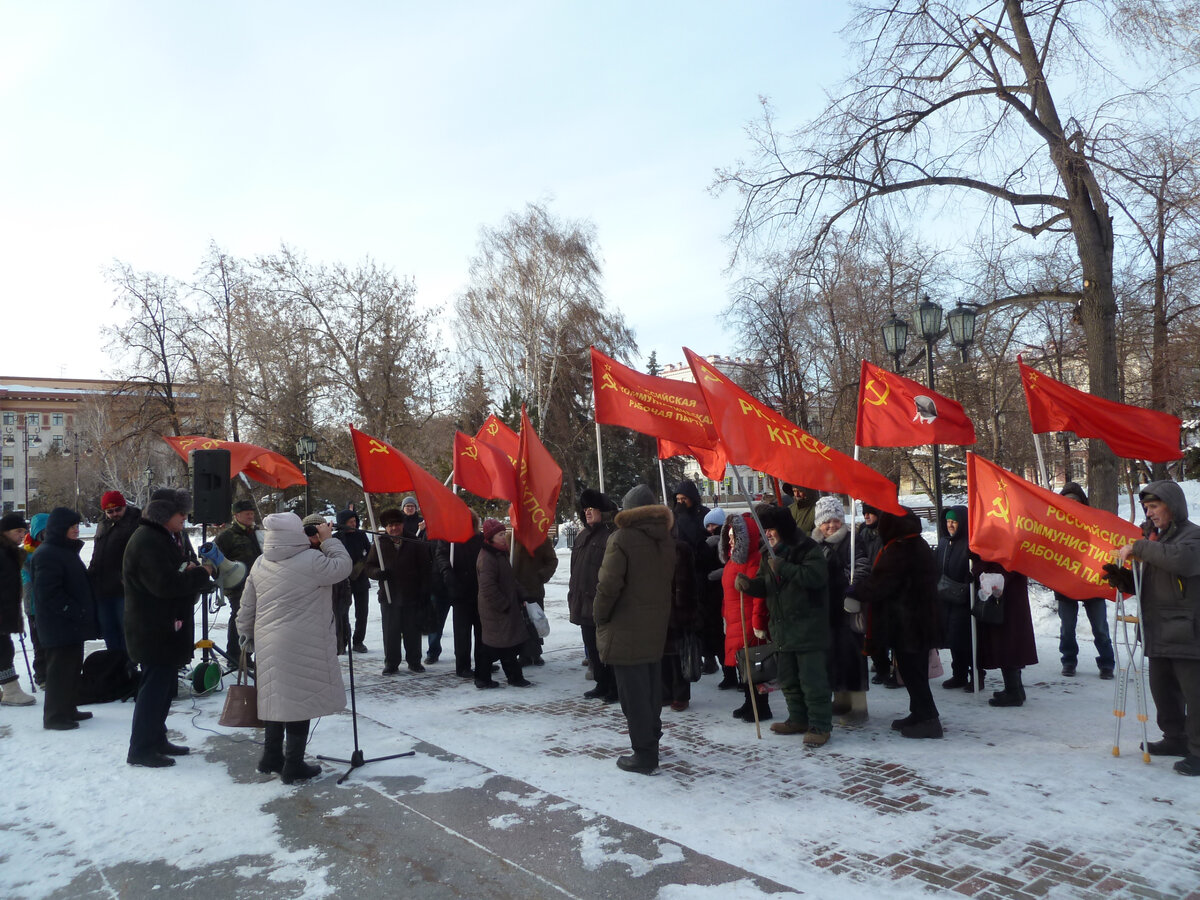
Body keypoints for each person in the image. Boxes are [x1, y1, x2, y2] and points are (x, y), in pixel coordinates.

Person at [236, 512, 352, 784]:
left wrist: (245, 634)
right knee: (300, 702)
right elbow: (343, 566)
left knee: (276, 699)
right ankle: (294, 764)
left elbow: (247, 605)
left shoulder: (261, 562)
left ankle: (271, 757)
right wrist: (328, 539)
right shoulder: (313, 560)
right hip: (304, 641)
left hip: (268, 642)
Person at [1109, 480, 1200, 775]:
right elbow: (1149, 579)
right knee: (1163, 689)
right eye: (1146, 508)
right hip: (1158, 628)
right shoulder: (1155, 541)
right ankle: (1175, 738)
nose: (1149, 513)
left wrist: (1140, 546)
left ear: (1172, 507)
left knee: (1194, 693)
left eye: (1154, 506)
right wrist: (1124, 580)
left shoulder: (1192, 537)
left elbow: (1182, 562)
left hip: (1187, 630)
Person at [123, 489, 215, 767]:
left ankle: (156, 738)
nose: (185, 519)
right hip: (152, 629)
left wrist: (192, 572)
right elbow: (164, 585)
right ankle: (140, 748)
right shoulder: (148, 540)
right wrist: (200, 574)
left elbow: (173, 575)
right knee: (153, 689)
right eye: (181, 515)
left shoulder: (165, 537)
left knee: (163, 689)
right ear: (165, 515)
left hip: (164, 627)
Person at [594, 485, 675, 774]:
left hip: (625, 627)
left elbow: (608, 586)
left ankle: (644, 754)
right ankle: (652, 740)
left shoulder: (622, 538)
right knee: (651, 690)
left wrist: (599, 615)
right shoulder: (664, 538)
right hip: (655, 626)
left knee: (633, 696)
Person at [736, 505, 831, 746]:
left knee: (812, 681)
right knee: (787, 679)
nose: (766, 534)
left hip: (808, 628)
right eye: (764, 529)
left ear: (783, 528)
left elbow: (816, 577)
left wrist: (784, 567)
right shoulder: (769, 553)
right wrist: (749, 585)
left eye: (770, 529)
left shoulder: (807, 548)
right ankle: (797, 718)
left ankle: (820, 725)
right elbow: (764, 584)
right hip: (782, 630)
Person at [851, 507, 944, 738]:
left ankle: (929, 719)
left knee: (913, 672)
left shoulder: (900, 549)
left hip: (908, 623)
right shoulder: (917, 543)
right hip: (918, 620)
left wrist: (856, 589)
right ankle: (919, 713)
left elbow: (881, 584)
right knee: (914, 671)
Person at [29, 508, 97, 729]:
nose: (76, 529)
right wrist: (72, 609)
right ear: (60, 529)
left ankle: (68, 709)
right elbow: (48, 592)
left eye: (77, 525)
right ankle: (55, 716)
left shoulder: (64, 550)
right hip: (58, 624)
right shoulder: (47, 554)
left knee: (71, 668)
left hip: (70, 623)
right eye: (72, 526)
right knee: (59, 672)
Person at [811, 496, 871, 725]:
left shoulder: (852, 540)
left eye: (836, 520)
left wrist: (852, 589)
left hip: (848, 609)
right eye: (826, 521)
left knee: (851, 656)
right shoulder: (815, 544)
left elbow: (863, 566)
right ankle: (841, 698)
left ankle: (858, 707)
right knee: (832, 656)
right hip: (826, 611)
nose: (831, 526)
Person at [1056, 482, 1115, 679]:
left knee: (1100, 627)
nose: (1071, 504)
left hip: (1093, 581)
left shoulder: (1094, 522)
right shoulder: (1055, 523)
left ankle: (1107, 663)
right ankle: (1069, 660)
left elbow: (1107, 543)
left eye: (1074, 501)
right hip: (1066, 582)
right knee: (1067, 627)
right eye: (1066, 501)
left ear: (1082, 502)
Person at [364, 506, 431, 675]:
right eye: (390, 526)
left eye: (397, 524)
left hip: (411, 595)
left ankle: (414, 661)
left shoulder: (414, 542)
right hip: (389, 595)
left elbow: (425, 568)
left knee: (412, 632)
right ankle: (391, 663)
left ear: (402, 524)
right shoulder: (379, 544)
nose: (394, 528)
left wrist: (424, 590)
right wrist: (378, 573)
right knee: (391, 632)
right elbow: (369, 566)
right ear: (385, 528)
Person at [720, 511, 771, 722]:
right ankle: (749, 703)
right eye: (729, 537)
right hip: (735, 619)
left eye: (734, 537)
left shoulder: (754, 561)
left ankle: (761, 708)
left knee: (755, 667)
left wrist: (758, 623)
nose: (730, 541)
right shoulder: (733, 562)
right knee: (744, 667)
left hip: (749, 621)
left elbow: (759, 594)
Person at [568, 489, 619, 703]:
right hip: (583, 601)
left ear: (603, 511)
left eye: (592, 509)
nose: (588, 513)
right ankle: (601, 683)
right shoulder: (582, 535)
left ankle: (614, 687)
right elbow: (574, 569)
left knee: (607, 648)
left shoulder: (610, 534)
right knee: (591, 646)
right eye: (585, 509)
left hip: (602, 602)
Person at [475, 519, 532, 689]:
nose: (504, 537)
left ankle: (509, 677)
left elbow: (509, 579)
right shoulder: (487, 558)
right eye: (500, 534)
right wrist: (504, 605)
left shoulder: (500, 553)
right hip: (495, 610)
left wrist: (521, 594)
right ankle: (485, 678)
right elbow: (488, 587)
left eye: (503, 533)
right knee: (495, 646)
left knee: (505, 644)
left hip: (503, 608)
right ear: (491, 537)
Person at [975, 561, 1038, 707]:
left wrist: (979, 568)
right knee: (1009, 641)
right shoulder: (1011, 543)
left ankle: (1013, 691)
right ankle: (1016, 688)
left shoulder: (1007, 547)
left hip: (1006, 599)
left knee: (1007, 643)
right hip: (1010, 598)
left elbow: (1001, 572)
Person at [86, 490, 140, 654]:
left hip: (122, 589)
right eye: (110, 511)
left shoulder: (135, 523)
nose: (114, 514)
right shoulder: (103, 524)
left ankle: (127, 669)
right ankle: (115, 668)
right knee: (109, 632)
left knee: (126, 632)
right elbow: (97, 554)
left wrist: (127, 578)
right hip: (102, 589)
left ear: (124, 506)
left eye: (118, 509)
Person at [432, 512, 484, 679]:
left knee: (482, 631)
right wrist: (448, 573)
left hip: (479, 591)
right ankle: (463, 666)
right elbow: (441, 556)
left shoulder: (480, 538)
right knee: (462, 632)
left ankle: (484, 662)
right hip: (458, 590)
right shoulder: (449, 539)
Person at [215, 499, 262, 667]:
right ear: (237, 515)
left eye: (252, 513)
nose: (251, 516)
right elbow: (215, 560)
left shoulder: (256, 533)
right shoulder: (227, 536)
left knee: (254, 620)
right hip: (237, 587)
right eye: (247, 513)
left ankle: (247, 655)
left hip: (258, 584)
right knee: (239, 618)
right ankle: (235, 656)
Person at [937, 506, 977, 691]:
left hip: (964, 597)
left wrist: (972, 576)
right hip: (946, 597)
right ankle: (958, 674)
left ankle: (976, 675)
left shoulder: (971, 543)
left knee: (967, 640)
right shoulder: (945, 543)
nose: (950, 525)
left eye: (954, 521)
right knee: (953, 638)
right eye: (948, 521)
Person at [1, 512, 37, 706]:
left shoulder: (9, 551)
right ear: (5, 532)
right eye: (18, 531)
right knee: (4, 649)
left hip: (6, 608)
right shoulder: (3, 552)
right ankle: (11, 691)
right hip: (2, 609)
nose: (22, 536)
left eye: (24, 531)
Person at [662, 538, 699, 711]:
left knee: (678, 655)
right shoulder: (651, 546)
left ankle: (681, 695)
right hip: (657, 609)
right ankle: (666, 692)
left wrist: (683, 608)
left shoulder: (679, 548)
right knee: (662, 654)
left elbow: (686, 583)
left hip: (676, 610)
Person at [856, 504, 890, 686]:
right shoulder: (863, 533)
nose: (867, 516)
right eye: (864, 513)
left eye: (870, 513)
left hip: (880, 586)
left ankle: (885, 667)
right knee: (870, 631)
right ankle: (880, 664)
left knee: (880, 630)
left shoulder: (884, 533)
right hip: (866, 585)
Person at [513, 534, 558, 666]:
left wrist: (540, 576)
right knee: (521, 623)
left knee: (536, 621)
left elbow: (552, 561)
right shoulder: (511, 538)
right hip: (516, 589)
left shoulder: (542, 539)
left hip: (534, 589)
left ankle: (536, 653)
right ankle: (523, 654)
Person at [333, 509, 373, 655]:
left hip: (361, 579)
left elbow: (370, 553)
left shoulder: (361, 535)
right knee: (342, 613)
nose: (354, 524)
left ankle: (358, 641)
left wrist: (361, 565)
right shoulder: (336, 538)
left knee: (362, 612)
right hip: (343, 581)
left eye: (355, 521)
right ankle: (343, 641)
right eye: (350, 522)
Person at [700, 507, 732, 684]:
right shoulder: (706, 543)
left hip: (723, 592)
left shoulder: (729, 540)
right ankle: (727, 672)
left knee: (725, 636)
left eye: (714, 524)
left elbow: (733, 562)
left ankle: (731, 672)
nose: (711, 528)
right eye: (708, 525)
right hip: (711, 594)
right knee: (717, 634)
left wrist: (722, 572)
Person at [21, 513, 49, 689]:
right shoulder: (27, 553)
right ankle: (42, 674)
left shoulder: (52, 547)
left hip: (48, 603)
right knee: (38, 642)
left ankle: (51, 671)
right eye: (43, 531)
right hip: (33, 604)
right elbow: (26, 580)